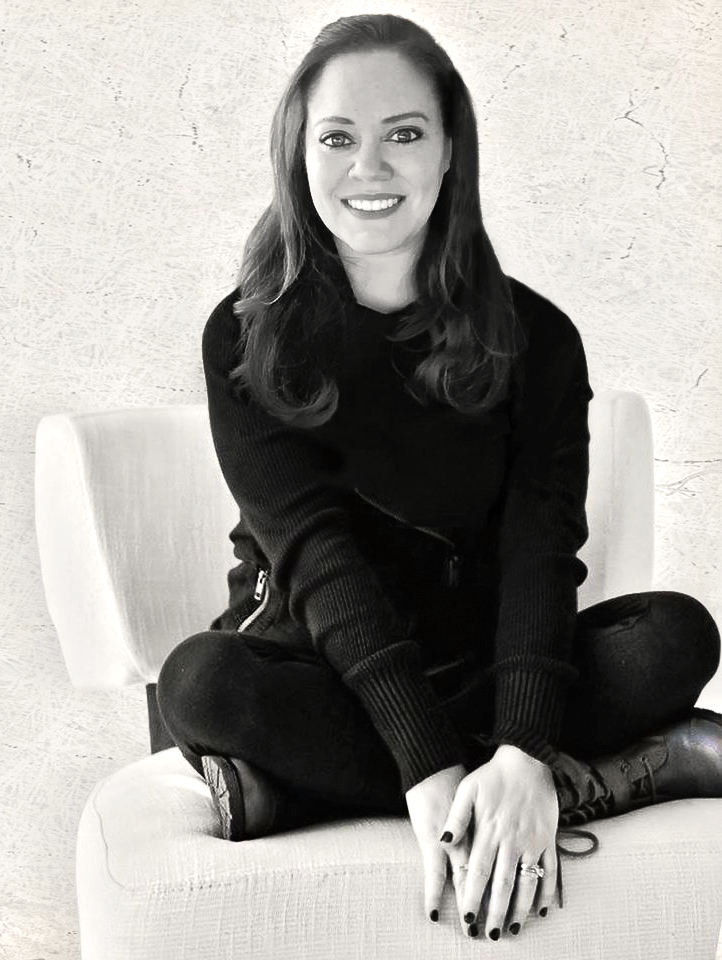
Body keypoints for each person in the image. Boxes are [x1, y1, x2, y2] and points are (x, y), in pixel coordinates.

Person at [156, 13, 722, 943]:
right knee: (202, 684)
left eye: (404, 135)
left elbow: (543, 550)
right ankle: (603, 779)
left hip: (483, 665)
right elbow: (316, 559)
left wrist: (523, 744)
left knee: (674, 634)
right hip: (321, 662)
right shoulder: (244, 335)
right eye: (337, 138)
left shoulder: (539, 338)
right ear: (300, 154)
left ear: (450, 147)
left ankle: (306, 792)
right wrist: (432, 771)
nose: (368, 169)